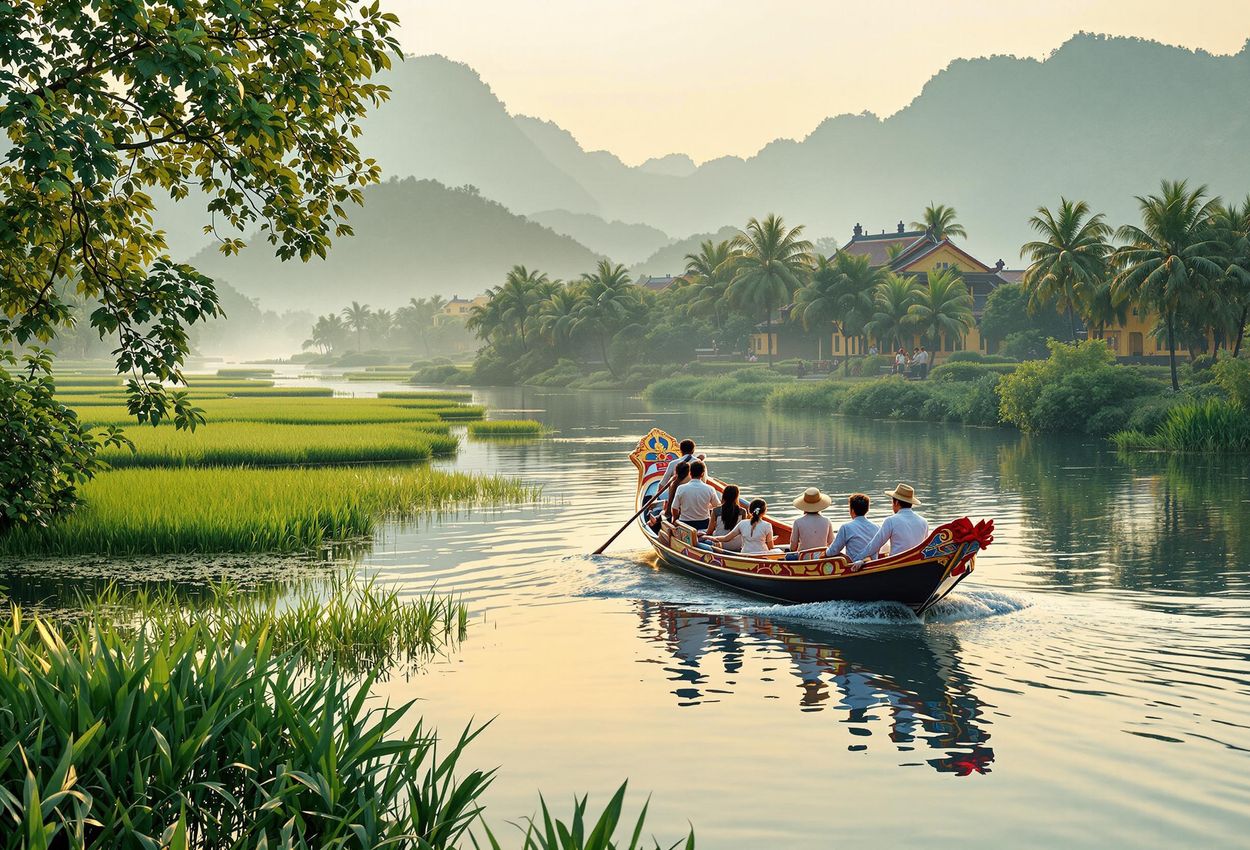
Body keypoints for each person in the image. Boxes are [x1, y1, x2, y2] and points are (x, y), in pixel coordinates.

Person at [856, 483, 929, 567]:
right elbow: (924, 547)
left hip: (895, 565)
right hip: (917, 564)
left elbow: (875, 545)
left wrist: (858, 558)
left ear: (896, 502)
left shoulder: (891, 521)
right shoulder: (924, 522)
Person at [706, 498, 784, 556]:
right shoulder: (767, 525)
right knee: (779, 551)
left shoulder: (742, 523)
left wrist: (708, 537)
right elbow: (771, 547)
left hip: (745, 555)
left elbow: (726, 538)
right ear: (764, 512)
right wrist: (767, 540)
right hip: (762, 555)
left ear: (749, 511)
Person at [826, 493, 880, 562]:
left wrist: (825, 554)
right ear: (867, 510)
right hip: (872, 565)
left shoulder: (846, 527)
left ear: (852, 510)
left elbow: (833, 550)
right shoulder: (877, 527)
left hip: (854, 567)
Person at [671, 461, 719, 532]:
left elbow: (674, 508)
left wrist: (675, 519)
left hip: (684, 524)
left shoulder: (681, 488)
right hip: (704, 524)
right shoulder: (710, 489)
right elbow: (717, 507)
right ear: (702, 474)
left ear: (690, 473)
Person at [786, 487, 833, 559]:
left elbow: (793, 545)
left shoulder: (798, 522)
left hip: (804, 558)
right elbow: (831, 542)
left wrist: (792, 551)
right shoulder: (827, 521)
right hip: (821, 558)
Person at [699, 485, 744, 552]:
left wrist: (701, 534)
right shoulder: (743, 512)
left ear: (724, 496)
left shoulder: (716, 511)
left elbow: (709, 532)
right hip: (737, 545)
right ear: (736, 497)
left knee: (698, 534)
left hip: (719, 544)